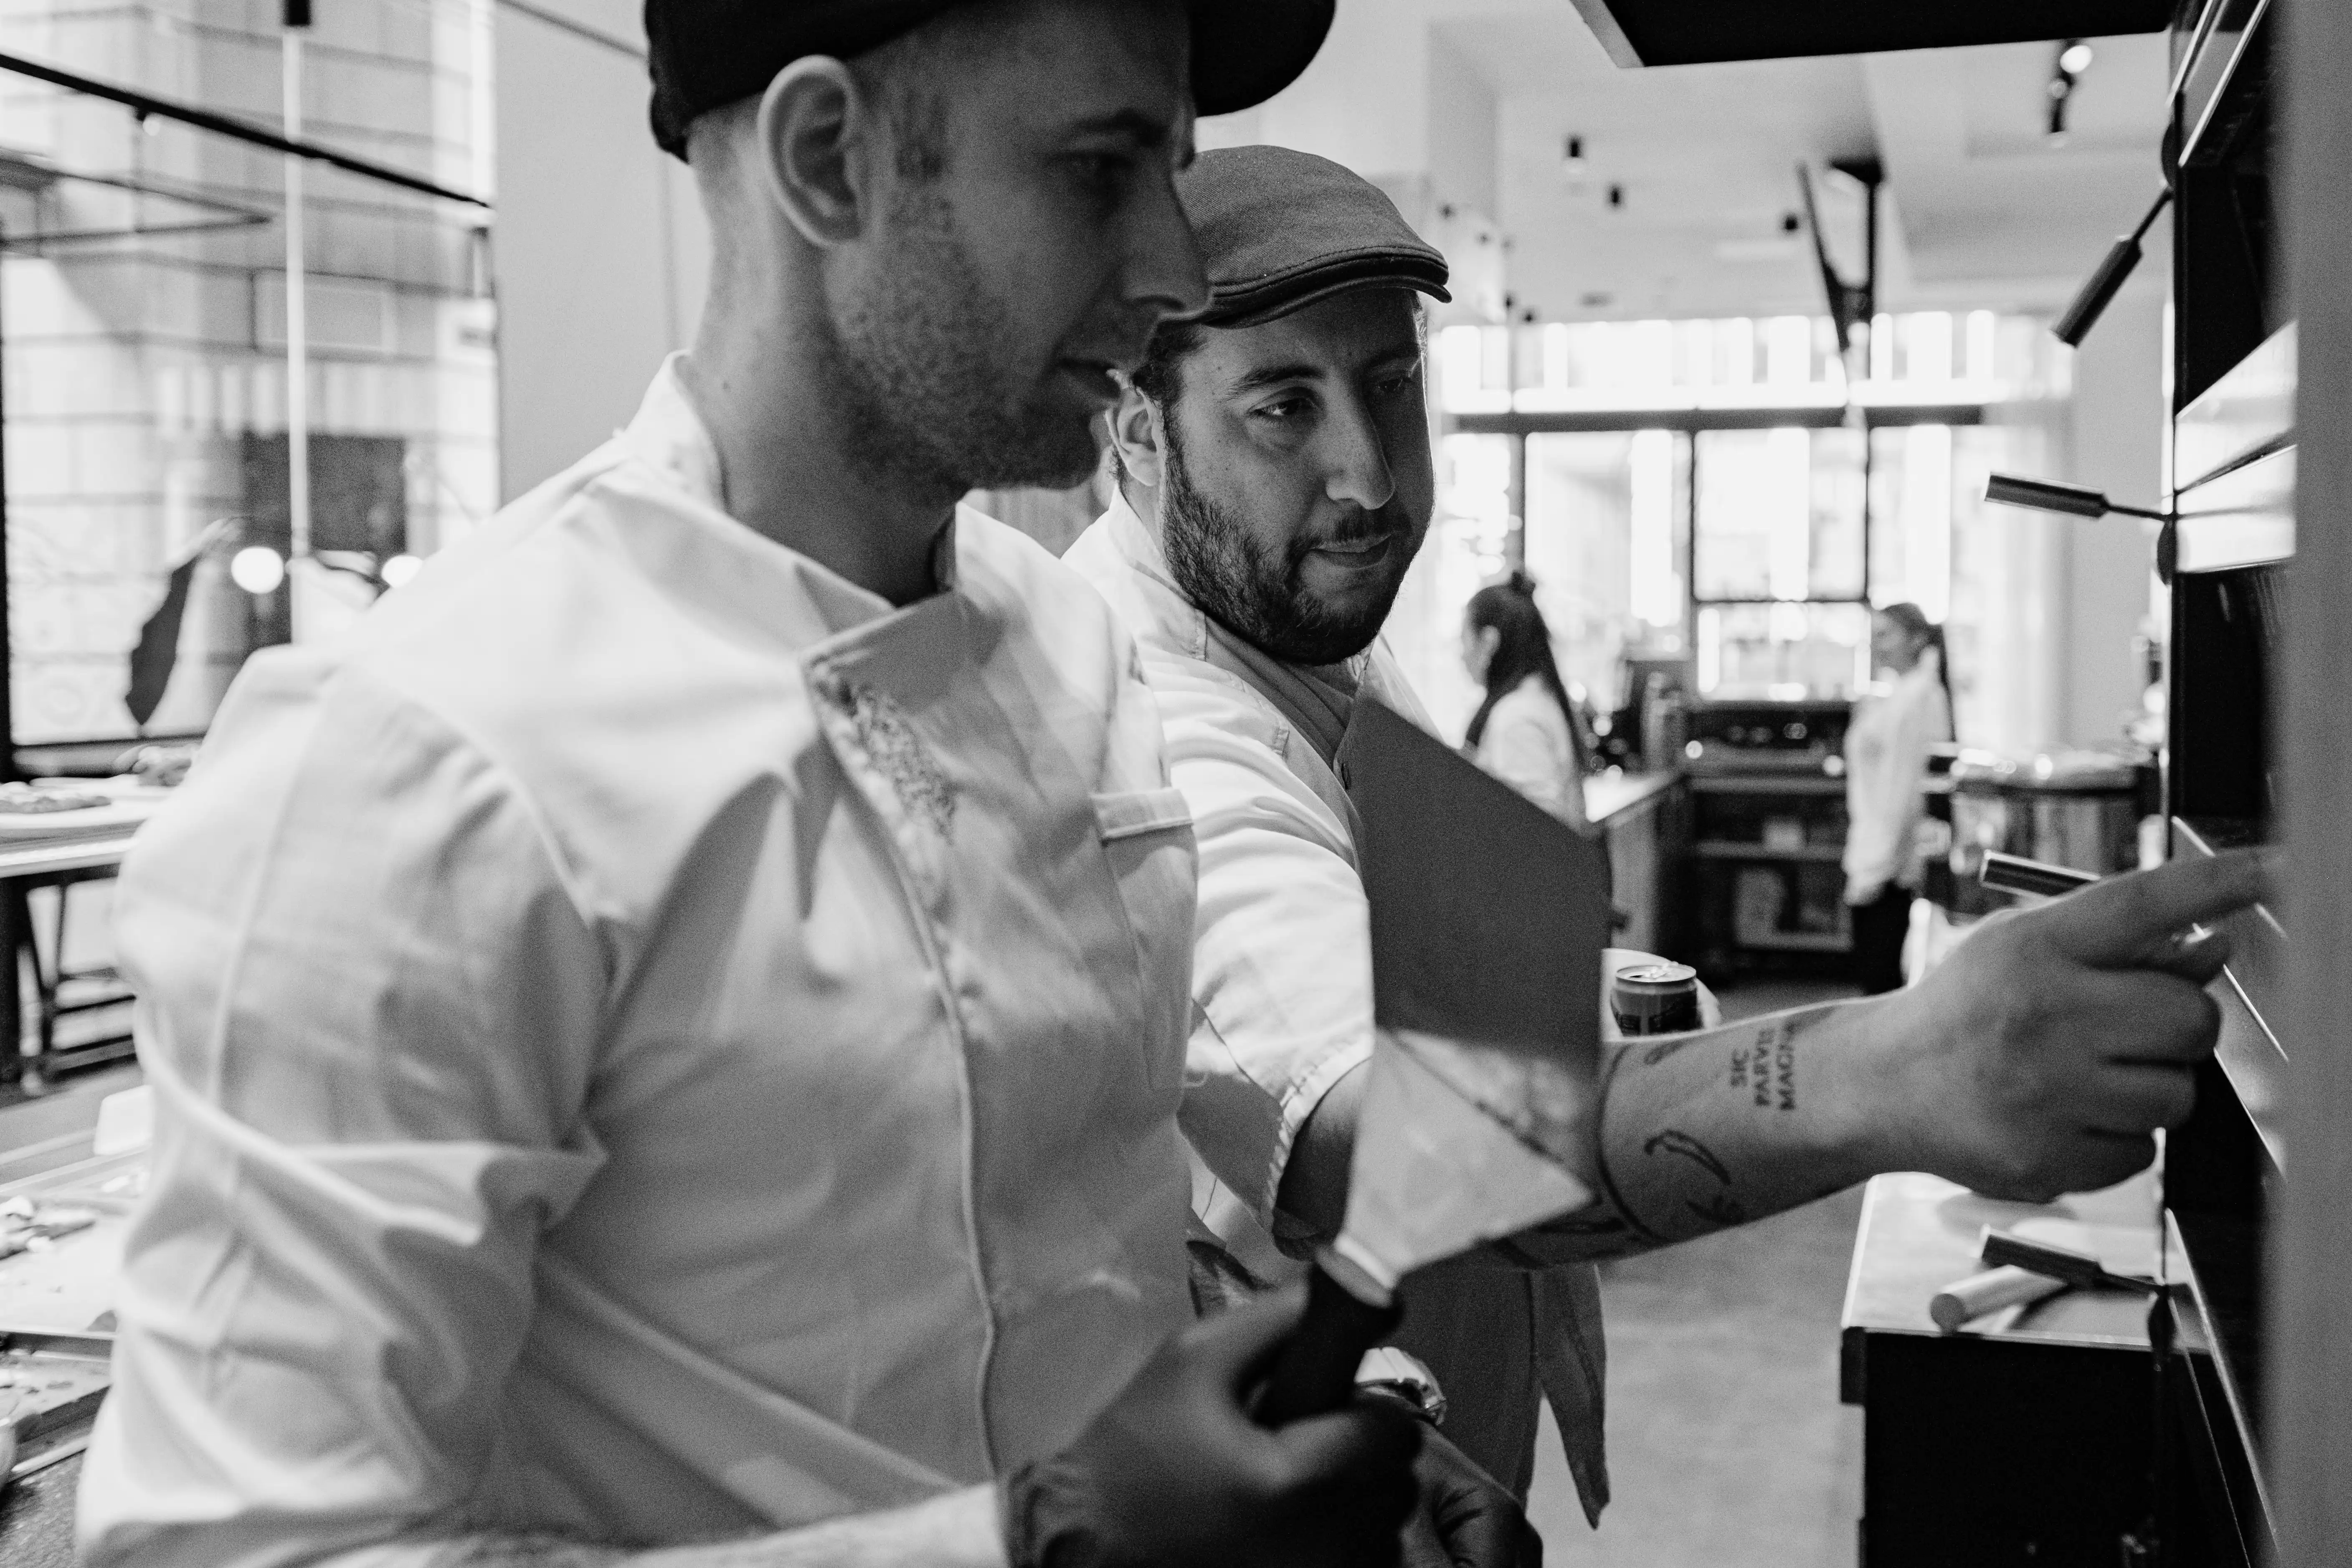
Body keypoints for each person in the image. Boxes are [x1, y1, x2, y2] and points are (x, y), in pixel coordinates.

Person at [73, 8, 1474, 1568]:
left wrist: (1323, 1435)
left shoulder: (1071, 650)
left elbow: (1071, 1259)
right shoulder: (426, 758)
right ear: (828, 158)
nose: (1171, 269)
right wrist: (1031, 1545)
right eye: (1101, 171)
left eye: (1177, 169)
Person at [1066, 142, 2268, 1520]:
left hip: (1423, 1451)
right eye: (1281, 406)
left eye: (1389, 387)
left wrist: (1580, 1023)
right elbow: (1386, 1133)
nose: (1367, 478)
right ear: (1136, 432)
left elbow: (1422, 990)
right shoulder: (1148, 712)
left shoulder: (1300, 624)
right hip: (1283, 1503)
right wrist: (1903, 1061)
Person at [1844, 602, 1956, 993]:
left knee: (1880, 984)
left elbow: (1905, 791)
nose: (1877, 645)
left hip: (1886, 862)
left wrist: (1878, 868)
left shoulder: (1919, 697)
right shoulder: (1899, 695)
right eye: (1874, 636)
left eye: (1886, 634)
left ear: (1918, 639)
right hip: (1874, 851)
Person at [1462, 572, 1590, 829]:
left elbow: (1534, 836)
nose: (1461, 654)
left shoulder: (1516, 719)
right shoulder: (1538, 700)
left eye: (1463, 639)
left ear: (1488, 642)